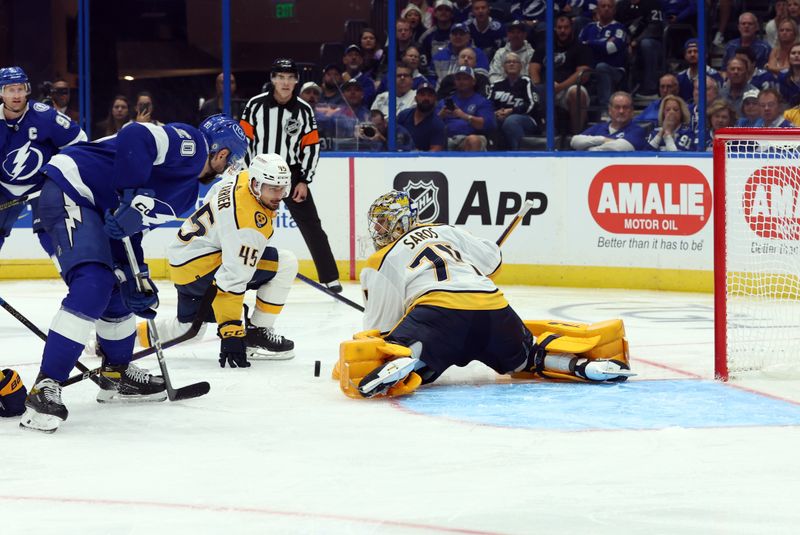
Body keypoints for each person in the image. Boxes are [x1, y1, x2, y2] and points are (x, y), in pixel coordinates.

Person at [19, 114, 248, 433]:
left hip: (94, 212)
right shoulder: (192, 145)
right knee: (94, 283)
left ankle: (117, 373)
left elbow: (130, 231)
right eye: (231, 161)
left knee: (122, 289)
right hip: (68, 190)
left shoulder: (184, 196)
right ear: (222, 154)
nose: (228, 168)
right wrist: (128, 196)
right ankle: (44, 387)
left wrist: (137, 276)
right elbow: (136, 135)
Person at [333, 190, 631, 399]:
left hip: (439, 315)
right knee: (527, 358)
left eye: (384, 223)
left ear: (401, 221)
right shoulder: (446, 230)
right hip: (493, 307)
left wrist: (387, 345)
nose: (380, 231)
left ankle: (408, 360)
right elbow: (493, 259)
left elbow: (379, 329)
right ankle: (580, 365)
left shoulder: (379, 260)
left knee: (395, 347)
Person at [137, 153, 297, 367]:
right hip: (202, 268)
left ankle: (124, 338)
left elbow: (214, 193)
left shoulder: (240, 178)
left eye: (283, 188)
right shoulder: (248, 226)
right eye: (273, 189)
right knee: (286, 263)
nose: (279, 195)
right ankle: (257, 334)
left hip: (183, 261)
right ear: (257, 184)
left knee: (188, 329)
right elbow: (231, 278)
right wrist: (230, 330)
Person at [240, 59, 341, 292]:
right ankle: (242, 269)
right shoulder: (255, 105)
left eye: (290, 78)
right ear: (273, 79)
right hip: (259, 176)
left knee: (312, 225)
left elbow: (311, 147)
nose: (285, 82)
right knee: (246, 224)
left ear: (296, 81)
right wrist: (246, 175)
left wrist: (304, 179)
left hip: (292, 175)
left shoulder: (304, 110)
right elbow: (244, 141)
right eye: (281, 77)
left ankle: (330, 277)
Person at [0, 66, 87, 254]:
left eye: (20, 88)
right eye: (10, 89)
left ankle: (72, 276)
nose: (16, 94)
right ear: (2, 93)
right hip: (4, 187)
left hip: (42, 186)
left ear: (27, 90)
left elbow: (80, 142)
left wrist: (60, 176)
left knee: (51, 233)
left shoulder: (44, 115)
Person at [530, 14, 593, 135]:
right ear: (555, 28)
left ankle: (576, 136)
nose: (562, 31)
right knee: (537, 92)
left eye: (566, 27)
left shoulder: (580, 47)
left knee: (577, 92)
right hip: (545, 89)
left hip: (567, 89)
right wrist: (538, 86)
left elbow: (583, 73)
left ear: (572, 28)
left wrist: (560, 87)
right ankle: (547, 132)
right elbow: (533, 67)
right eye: (559, 27)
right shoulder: (545, 46)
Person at [578, 0, 630, 110]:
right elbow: (579, 47)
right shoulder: (589, 27)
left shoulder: (619, 28)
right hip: (591, 68)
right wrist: (603, 43)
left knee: (601, 66)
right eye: (603, 6)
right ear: (597, 9)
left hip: (615, 70)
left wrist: (590, 43)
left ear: (614, 10)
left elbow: (611, 48)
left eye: (609, 6)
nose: (606, 9)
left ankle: (605, 109)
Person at [488, 52, 542, 150]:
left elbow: (532, 104)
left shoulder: (526, 82)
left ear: (521, 66)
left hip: (526, 118)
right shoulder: (496, 85)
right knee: (490, 120)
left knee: (511, 121)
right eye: (508, 62)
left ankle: (519, 154)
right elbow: (487, 106)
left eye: (515, 62)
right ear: (504, 66)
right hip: (500, 117)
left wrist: (512, 111)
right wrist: (495, 113)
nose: (511, 64)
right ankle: (494, 154)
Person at [437, 65, 496, 151]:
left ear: (473, 81)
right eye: (458, 79)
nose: (461, 82)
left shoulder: (482, 102)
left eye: (465, 79)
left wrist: (464, 116)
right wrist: (440, 116)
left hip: (470, 137)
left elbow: (486, 125)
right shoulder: (445, 102)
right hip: (447, 139)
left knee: (473, 140)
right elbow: (431, 124)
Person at [570, 91, 650, 151]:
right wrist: (602, 139)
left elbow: (620, 147)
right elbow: (574, 141)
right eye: (617, 107)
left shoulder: (637, 130)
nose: (621, 111)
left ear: (632, 111)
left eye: (625, 107)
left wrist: (589, 149)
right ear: (610, 110)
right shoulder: (599, 127)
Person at [615, 0, 664, 98]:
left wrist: (636, 41)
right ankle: (621, 90)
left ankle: (650, 89)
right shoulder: (621, 5)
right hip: (627, 40)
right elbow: (617, 26)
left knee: (646, 44)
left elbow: (654, 28)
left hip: (652, 42)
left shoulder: (653, 3)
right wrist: (625, 41)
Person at [397, 82, 446, 151]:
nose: (426, 98)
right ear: (416, 98)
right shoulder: (403, 115)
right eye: (422, 95)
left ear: (435, 99)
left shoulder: (438, 124)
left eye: (430, 95)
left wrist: (418, 154)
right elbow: (393, 138)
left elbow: (435, 153)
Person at [676, 38, 724, 104]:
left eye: (696, 51)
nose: (692, 54)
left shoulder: (714, 76)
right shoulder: (680, 78)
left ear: (705, 55)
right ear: (685, 56)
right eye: (689, 52)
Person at [488, 20, 536, 85]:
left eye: (519, 32)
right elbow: (493, 75)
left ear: (524, 35)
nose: (515, 35)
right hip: (502, 89)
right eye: (512, 32)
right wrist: (504, 87)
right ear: (508, 35)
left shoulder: (532, 53)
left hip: (523, 89)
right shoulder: (500, 53)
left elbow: (531, 76)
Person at [419, 0, 456, 66]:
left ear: (452, 14)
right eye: (440, 10)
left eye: (447, 10)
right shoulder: (427, 36)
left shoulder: (459, 32)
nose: (443, 12)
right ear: (435, 13)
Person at [777, 42, 800, 107]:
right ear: (789, 58)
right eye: (793, 53)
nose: (796, 55)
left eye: (799, 53)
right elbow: (783, 101)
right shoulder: (782, 76)